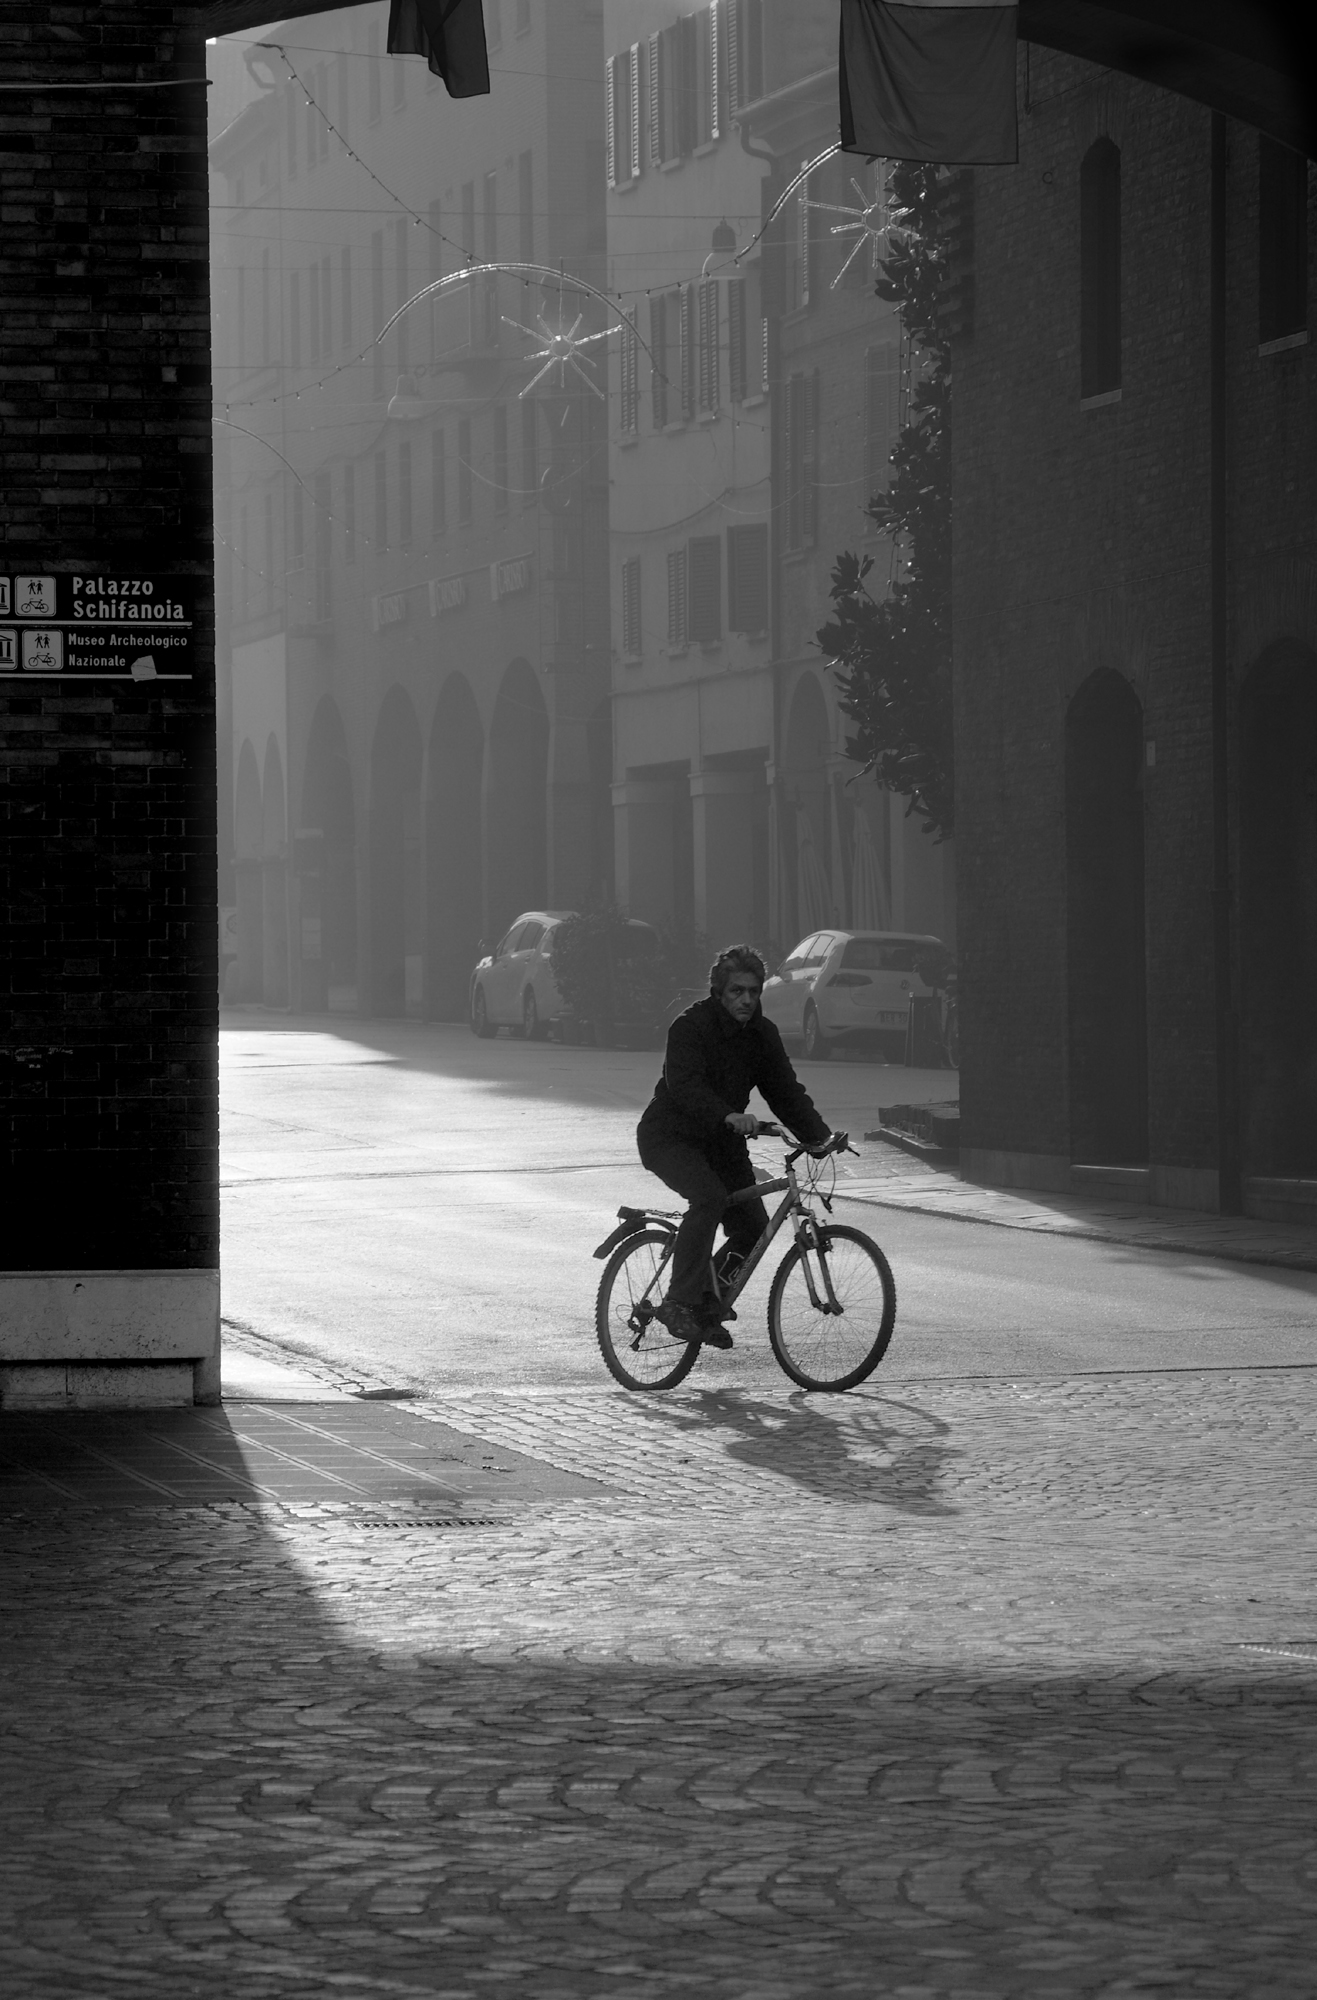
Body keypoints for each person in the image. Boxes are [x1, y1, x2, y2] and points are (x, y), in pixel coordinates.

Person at [637, 944, 834, 1349]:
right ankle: (677, 1302)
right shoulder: (690, 1027)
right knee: (708, 1197)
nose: (747, 999)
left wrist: (819, 1136)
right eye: (737, 991)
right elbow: (686, 1086)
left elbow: (785, 1093)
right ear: (718, 992)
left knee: (753, 1228)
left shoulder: (762, 1035)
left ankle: (705, 1304)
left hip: (722, 1144)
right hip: (670, 1136)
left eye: (754, 991)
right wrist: (727, 1115)